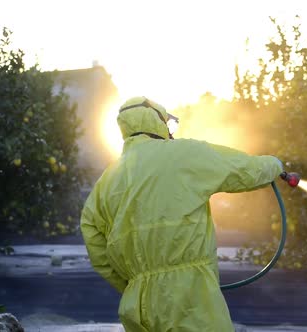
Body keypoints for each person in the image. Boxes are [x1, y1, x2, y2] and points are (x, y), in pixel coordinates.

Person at [80, 96, 283, 332]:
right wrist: (275, 165)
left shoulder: (106, 181)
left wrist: (134, 283)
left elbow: (95, 243)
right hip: (191, 298)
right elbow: (244, 170)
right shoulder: (184, 153)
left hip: (138, 306)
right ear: (156, 121)